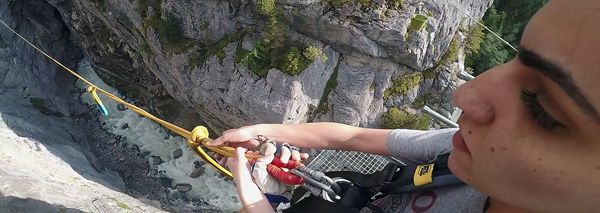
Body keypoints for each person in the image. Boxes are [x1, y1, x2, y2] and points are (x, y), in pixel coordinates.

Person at [209, 0, 600, 212]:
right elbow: (355, 135)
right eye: (513, 63)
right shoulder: (463, 153)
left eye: (542, 109)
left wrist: (260, 208)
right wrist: (264, 134)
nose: (464, 96)